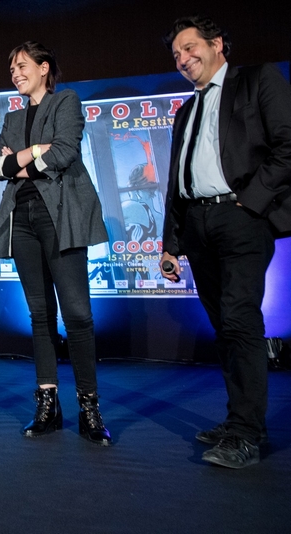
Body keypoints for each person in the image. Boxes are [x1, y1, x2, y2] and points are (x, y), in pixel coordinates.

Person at [160, 16, 291, 468]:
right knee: (225, 330)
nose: (183, 59)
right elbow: (178, 181)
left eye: (190, 47)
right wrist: (170, 243)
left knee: (239, 322)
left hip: (241, 218)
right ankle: (239, 419)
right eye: (176, 54)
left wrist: (250, 203)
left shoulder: (258, 80)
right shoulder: (185, 110)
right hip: (198, 224)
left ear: (217, 44)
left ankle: (246, 434)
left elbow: (287, 146)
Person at [0, 42, 112, 446]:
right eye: (11, 69)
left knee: (77, 314)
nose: (15, 73)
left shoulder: (66, 101)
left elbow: (63, 153)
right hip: (20, 220)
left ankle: (89, 406)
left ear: (44, 68)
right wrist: (29, 154)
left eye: (21, 65)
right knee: (40, 314)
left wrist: (19, 165)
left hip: (60, 217)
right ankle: (47, 403)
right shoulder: (11, 118)